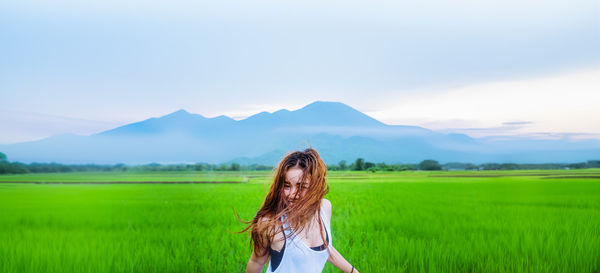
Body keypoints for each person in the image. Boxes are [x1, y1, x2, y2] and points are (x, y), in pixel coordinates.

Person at [240, 148, 359, 273]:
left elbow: (324, 247)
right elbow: (256, 261)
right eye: (286, 185)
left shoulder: (324, 208)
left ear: (315, 186)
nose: (291, 194)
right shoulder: (270, 223)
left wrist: (352, 271)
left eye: (301, 186)